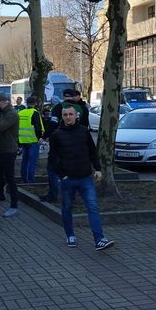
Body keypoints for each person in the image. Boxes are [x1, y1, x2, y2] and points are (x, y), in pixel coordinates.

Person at [49, 104, 114, 250]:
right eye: (65, 115)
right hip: (67, 179)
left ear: (76, 115)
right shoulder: (57, 135)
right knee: (67, 207)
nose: (68, 117)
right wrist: (62, 175)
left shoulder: (84, 131)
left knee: (93, 208)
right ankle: (70, 235)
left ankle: (99, 239)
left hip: (85, 177)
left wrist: (97, 169)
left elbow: (92, 151)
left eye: (71, 114)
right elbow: (52, 159)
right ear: (62, 117)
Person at [41, 89, 90, 203]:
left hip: (60, 143)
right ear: (74, 96)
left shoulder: (59, 107)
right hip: (77, 144)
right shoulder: (82, 108)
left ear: (63, 96)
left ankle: (53, 195)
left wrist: (44, 136)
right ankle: (72, 196)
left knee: (53, 169)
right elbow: (85, 127)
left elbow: (53, 124)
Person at [0, 93, 20, 217]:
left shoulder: (11, 114)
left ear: (2, 102)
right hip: (0, 150)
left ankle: (14, 206)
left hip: (8, 150)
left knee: (10, 178)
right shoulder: (3, 113)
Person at [18, 96, 44, 184]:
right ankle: (31, 180)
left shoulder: (20, 113)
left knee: (24, 161)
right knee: (32, 162)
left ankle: (24, 179)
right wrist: (40, 137)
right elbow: (37, 128)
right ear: (35, 103)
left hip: (22, 140)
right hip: (33, 140)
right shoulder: (35, 113)